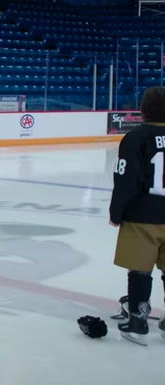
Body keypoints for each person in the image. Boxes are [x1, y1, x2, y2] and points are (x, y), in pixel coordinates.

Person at [110, 86, 165, 345]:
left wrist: (116, 212)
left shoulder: (135, 138)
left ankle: (138, 322)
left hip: (143, 216)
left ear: (143, 109)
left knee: (140, 270)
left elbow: (126, 181)